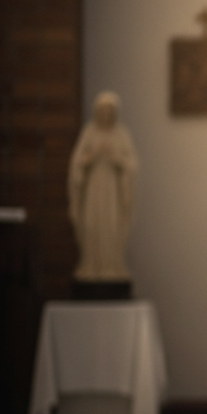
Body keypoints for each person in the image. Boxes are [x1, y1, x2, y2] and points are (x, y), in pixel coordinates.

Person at [68, 91, 139, 281]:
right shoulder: (89, 132)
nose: (106, 115)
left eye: (110, 111)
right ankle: (91, 264)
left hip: (112, 192)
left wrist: (115, 157)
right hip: (93, 190)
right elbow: (76, 162)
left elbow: (131, 164)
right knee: (92, 224)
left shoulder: (121, 134)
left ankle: (111, 265)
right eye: (103, 111)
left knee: (111, 226)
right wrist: (93, 155)